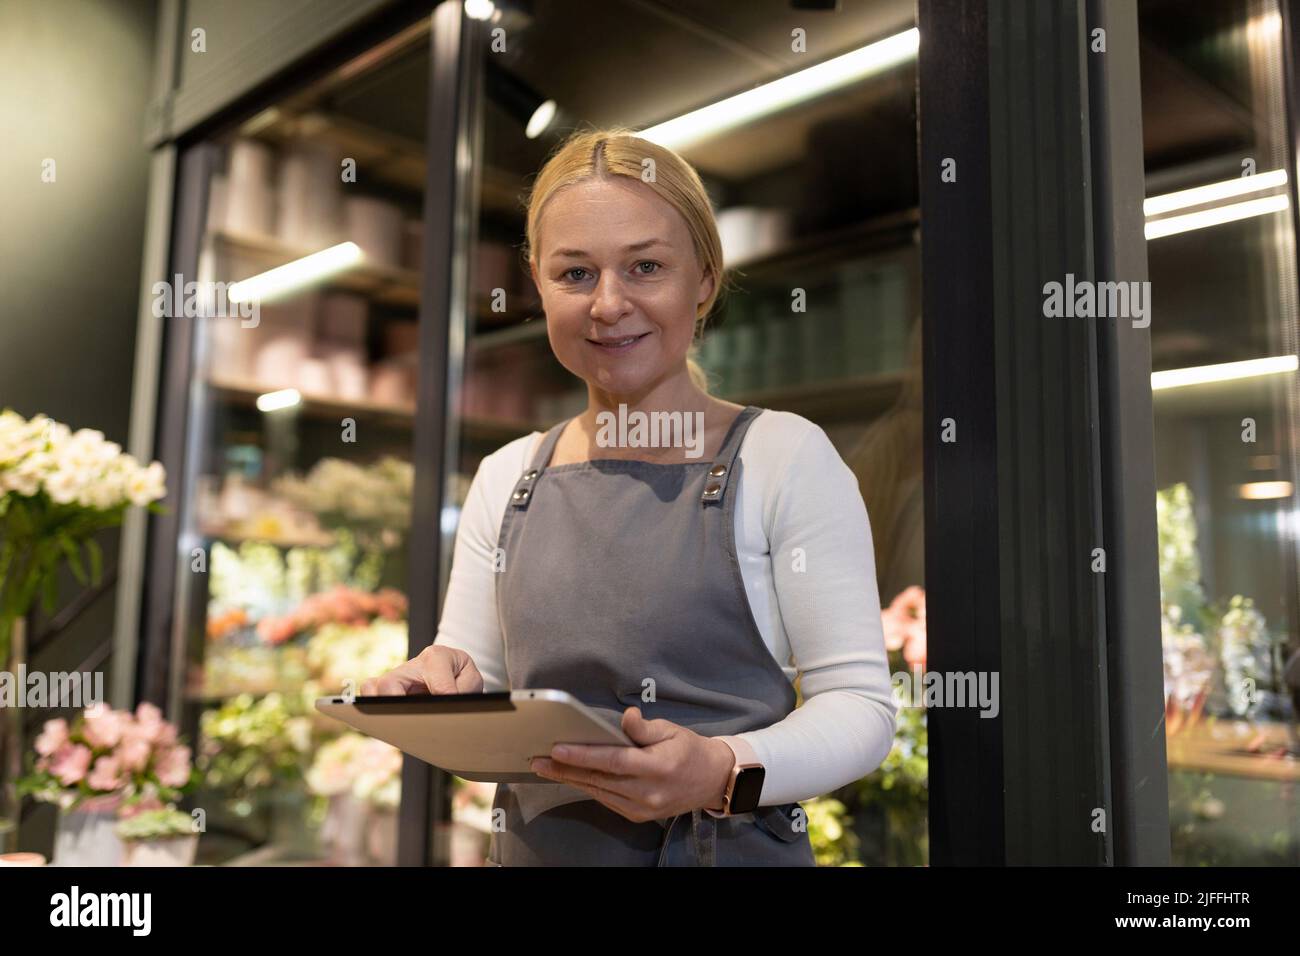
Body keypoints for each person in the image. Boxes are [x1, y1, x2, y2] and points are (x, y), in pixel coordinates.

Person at [361, 127, 897, 866]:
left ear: (704, 279)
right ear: (538, 284)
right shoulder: (508, 476)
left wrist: (719, 770)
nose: (609, 305)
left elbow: (862, 711)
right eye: (575, 274)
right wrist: (436, 697)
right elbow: (479, 719)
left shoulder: (785, 458)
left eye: (646, 266)